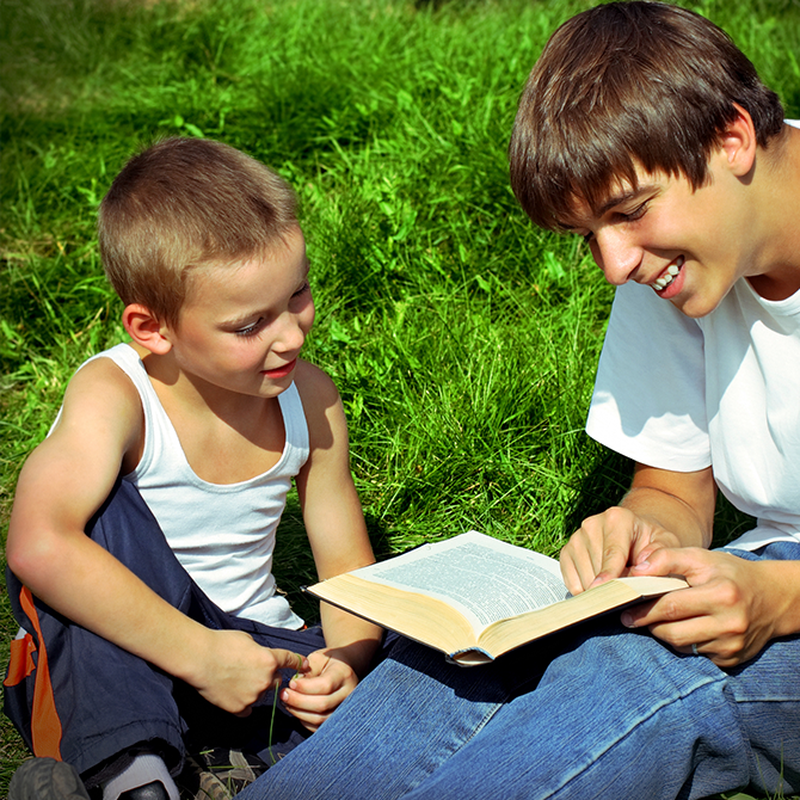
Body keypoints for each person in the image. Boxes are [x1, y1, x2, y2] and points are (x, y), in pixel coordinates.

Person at [232, 2, 800, 798]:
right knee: (460, 663)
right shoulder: (675, 263)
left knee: (639, 673)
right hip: (757, 570)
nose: (613, 264)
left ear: (733, 137)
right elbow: (674, 487)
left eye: (629, 213)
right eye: (588, 235)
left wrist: (782, 596)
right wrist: (637, 532)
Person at [3, 137, 387, 800]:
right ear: (153, 329)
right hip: (121, 652)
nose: (291, 335)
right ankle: (134, 778)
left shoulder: (311, 399)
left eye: (298, 295)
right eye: (250, 324)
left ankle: (243, 769)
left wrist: (344, 661)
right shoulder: (117, 395)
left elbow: (347, 569)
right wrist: (198, 657)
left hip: (249, 653)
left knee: (413, 639)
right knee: (92, 529)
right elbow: (36, 544)